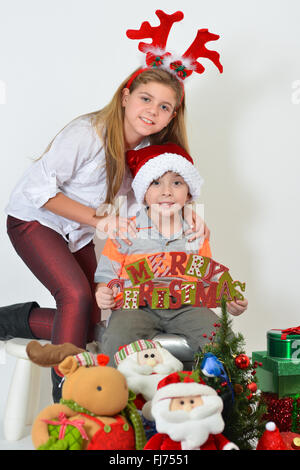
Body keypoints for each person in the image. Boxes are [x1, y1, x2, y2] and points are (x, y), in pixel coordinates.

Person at [95, 143, 248, 364]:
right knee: (117, 338)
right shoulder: (126, 231)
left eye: (177, 183)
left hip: (186, 307)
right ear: (144, 193)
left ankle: (219, 394)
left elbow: (209, 275)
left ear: (188, 194)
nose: (166, 191)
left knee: (220, 339)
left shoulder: (196, 233)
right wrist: (103, 293)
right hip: (135, 307)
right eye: (156, 183)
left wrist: (229, 297)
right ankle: (115, 393)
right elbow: (107, 277)